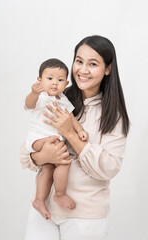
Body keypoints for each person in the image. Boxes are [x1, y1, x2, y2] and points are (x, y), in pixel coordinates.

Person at [20, 35, 130, 240]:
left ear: (108, 69)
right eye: (79, 61)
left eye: (93, 64)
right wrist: (41, 157)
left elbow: (108, 167)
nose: (83, 70)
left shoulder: (114, 115)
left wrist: (70, 133)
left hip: (85, 216)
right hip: (44, 210)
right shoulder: (58, 98)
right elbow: (26, 151)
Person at [24, 58, 88, 220]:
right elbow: (29, 104)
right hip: (38, 138)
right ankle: (60, 194)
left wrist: (80, 130)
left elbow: (71, 118)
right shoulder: (41, 97)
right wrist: (34, 93)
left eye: (59, 80)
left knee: (48, 168)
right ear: (40, 80)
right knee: (64, 159)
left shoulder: (64, 100)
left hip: (52, 139)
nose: (54, 83)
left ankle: (39, 200)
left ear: (66, 83)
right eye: (49, 78)